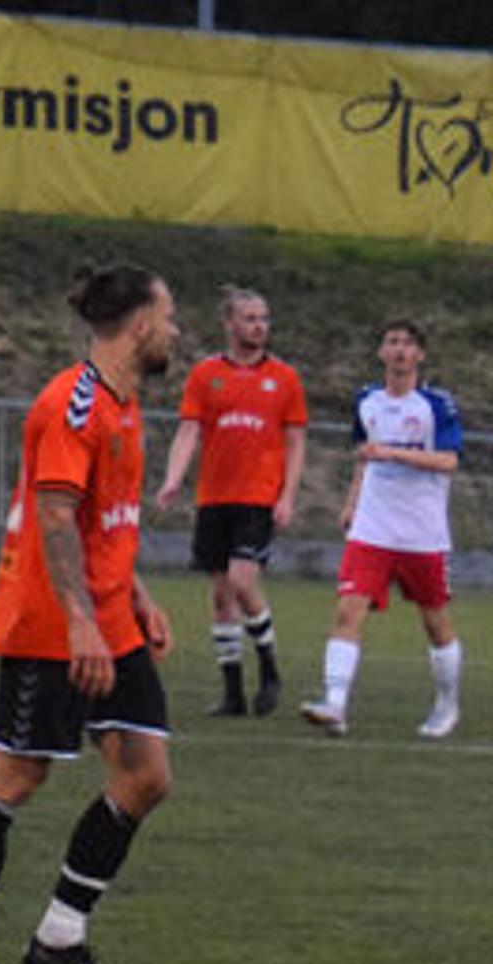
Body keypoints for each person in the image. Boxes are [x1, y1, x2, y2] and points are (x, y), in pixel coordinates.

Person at [0, 265, 185, 964]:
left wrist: (136, 597)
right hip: (51, 624)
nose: (176, 332)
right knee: (15, 778)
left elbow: (102, 522)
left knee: (146, 775)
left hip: (111, 619)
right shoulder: (74, 405)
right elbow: (54, 517)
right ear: (139, 325)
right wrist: (80, 620)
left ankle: (60, 937)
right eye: (169, 318)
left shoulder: (125, 404)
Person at [301, 319, 465, 741]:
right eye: (392, 342)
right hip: (373, 527)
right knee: (347, 611)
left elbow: (449, 461)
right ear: (381, 352)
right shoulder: (366, 400)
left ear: (420, 355)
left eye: (408, 344)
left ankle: (447, 704)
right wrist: (352, 503)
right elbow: (365, 455)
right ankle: (335, 705)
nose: (399, 350)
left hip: (422, 531)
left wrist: (393, 454)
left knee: (435, 623)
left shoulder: (436, 405)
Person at [151, 285, 306, 718]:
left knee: (242, 581)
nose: (259, 326)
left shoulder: (284, 378)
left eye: (264, 318)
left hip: (258, 498)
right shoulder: (206, 375)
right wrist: (173, 479)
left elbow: (296, 442)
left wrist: (288, 496)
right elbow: (188, 430)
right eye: (250, 318)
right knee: (221, 595)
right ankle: (233, 691)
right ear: (230, 323)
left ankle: (270, 668)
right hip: (214, 498)